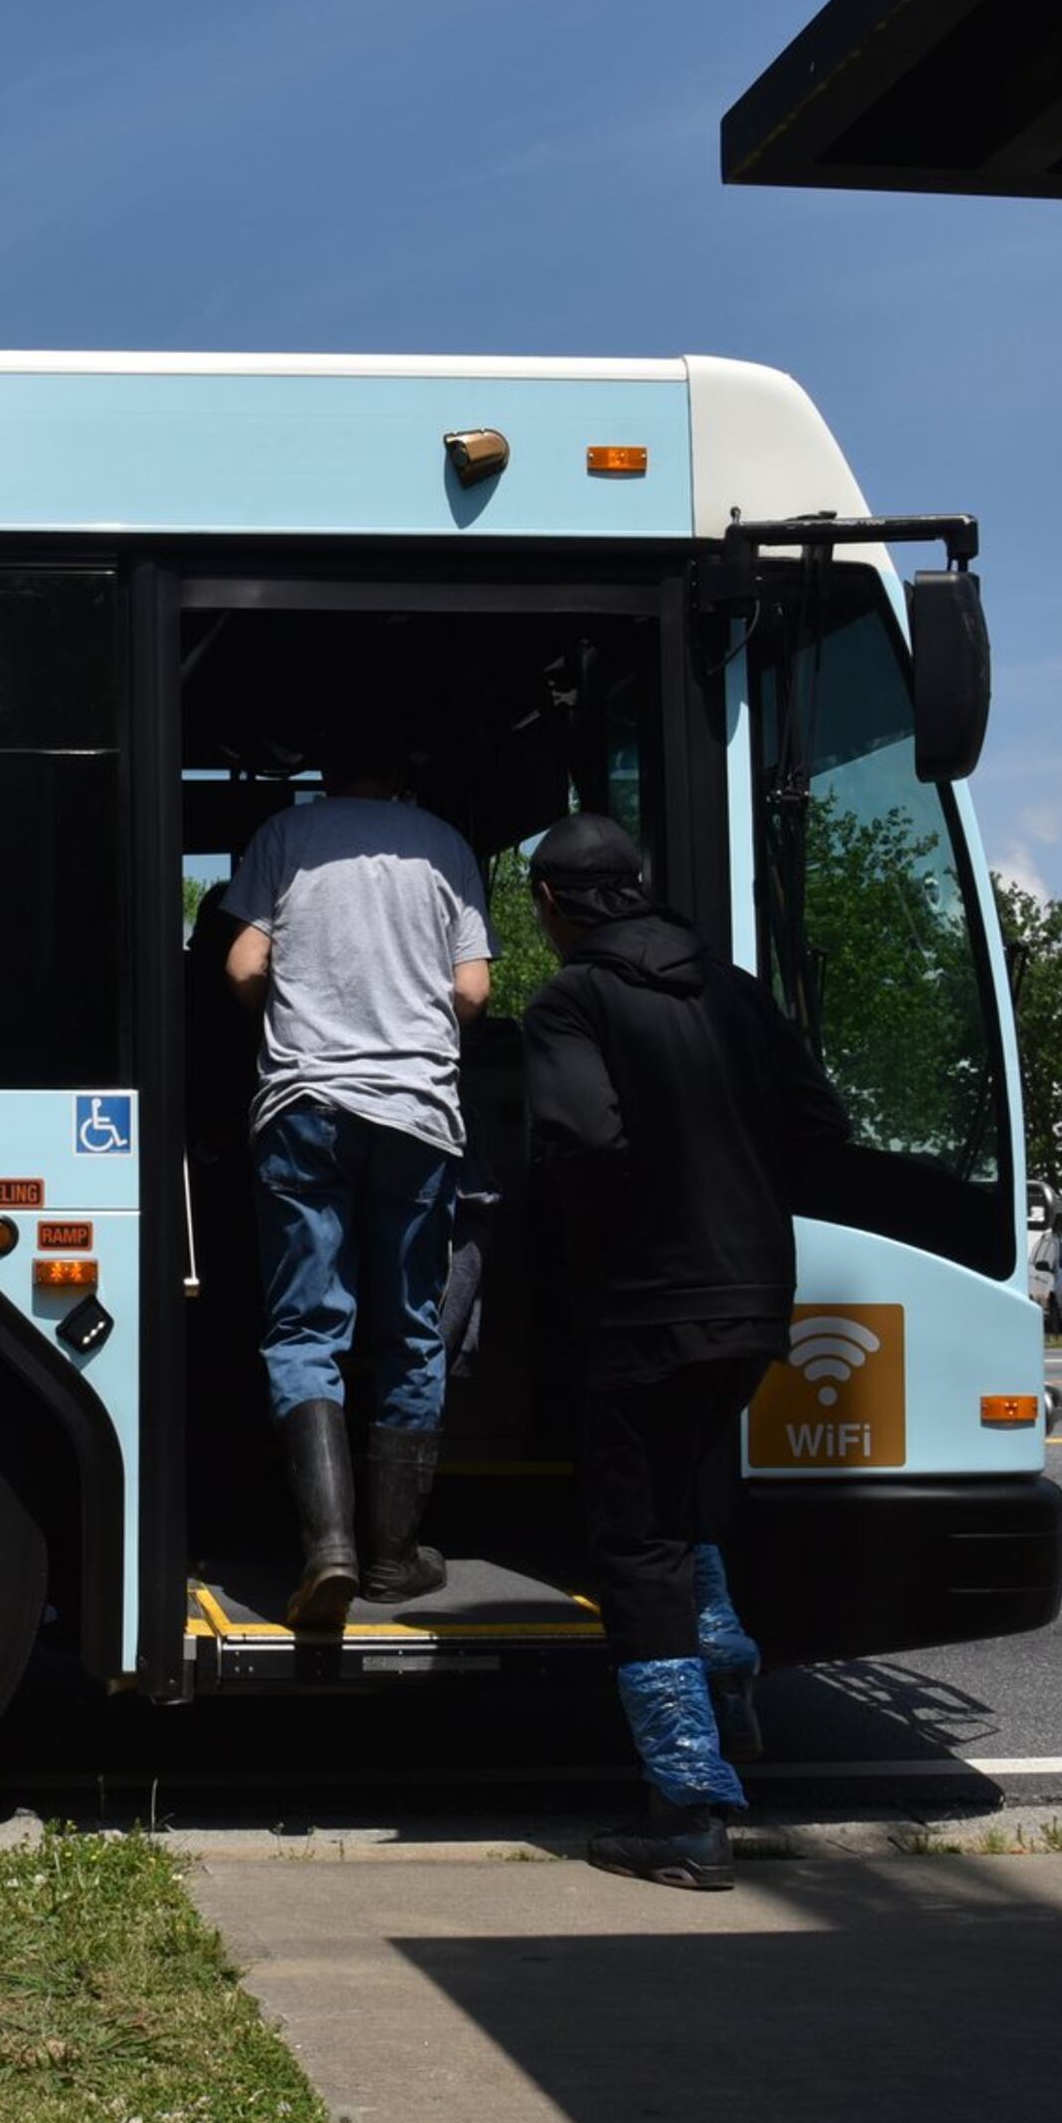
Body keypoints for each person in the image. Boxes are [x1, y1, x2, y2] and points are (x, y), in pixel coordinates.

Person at [518, 812, 849, 1890]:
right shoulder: (738, 989)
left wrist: (599, 1241)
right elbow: (821, 1123)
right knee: (685, 1501)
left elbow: (585, 1141)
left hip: (646, 1306)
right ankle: (731, 1695)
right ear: (643, 887)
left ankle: (687, 1807)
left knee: (637, 1543)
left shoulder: (572, 999)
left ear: (551, 906)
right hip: (755, 1300)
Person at [214, 721, 494, 1628]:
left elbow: (243, 965)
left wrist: (294, 1023)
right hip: (416, 1114)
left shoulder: (283, 838)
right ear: (400, 772)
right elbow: (476, 991)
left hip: (302, 1108)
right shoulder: (445, 846)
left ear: (326, 770)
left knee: (306, 1329)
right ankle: (392, 1559)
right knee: (410, 1330)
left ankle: (325, 1548)